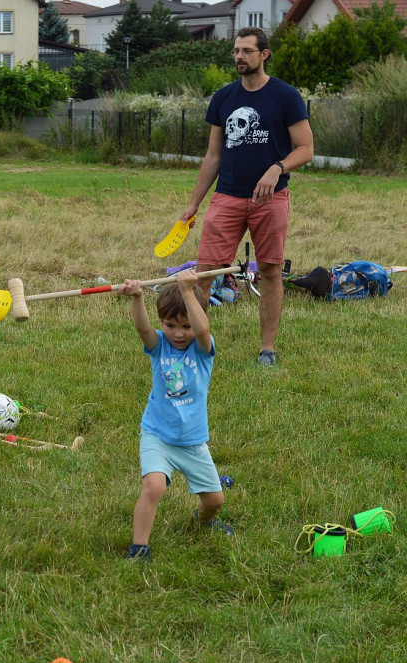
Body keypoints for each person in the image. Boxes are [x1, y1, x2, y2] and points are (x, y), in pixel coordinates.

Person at [180, 27, 313, 367]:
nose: (239, 56)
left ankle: (267, 349)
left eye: (246, 51)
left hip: (271, 200)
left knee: (269, 271)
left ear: (264, 54)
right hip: (227, 197)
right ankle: (194, 344)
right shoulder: (224, 97)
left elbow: (306, 148)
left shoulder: (285, 96)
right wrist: (194, 202)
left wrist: (277, 168)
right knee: (204, 272)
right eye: (236, 51)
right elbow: (213, 156)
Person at [118, 269, 233, 562]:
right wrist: (137, 297)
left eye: (185, 326)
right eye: (170, 325)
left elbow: (203, 330)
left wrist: (186, 291)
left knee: (215, 501)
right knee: (154, 485)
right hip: (158, 434)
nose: (178, 334)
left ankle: (203, 521)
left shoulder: (202, 349)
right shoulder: (159, 346)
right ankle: (139, 545)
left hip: (193, 441)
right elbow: (143, 330)